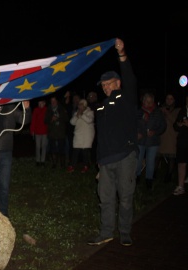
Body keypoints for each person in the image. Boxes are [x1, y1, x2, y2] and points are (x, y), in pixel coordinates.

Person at [88, 38, 138, 247]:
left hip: (125, 156)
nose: (106, 87)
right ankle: (106, 231)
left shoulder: (126, 98)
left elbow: (129, 77)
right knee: (105, 199)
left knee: (125, 197)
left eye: (110, 83)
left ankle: (125, 231)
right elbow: (100, 137)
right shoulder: (101, 108)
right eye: (104, 85)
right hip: (106, 160)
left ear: (118, 83)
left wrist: (122, 54)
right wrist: (98, 162)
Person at [135, 93, 166, 190]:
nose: (149, 103)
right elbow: (133, 125)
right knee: (138, 161)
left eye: (151, 101)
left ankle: (149, 180)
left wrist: (155, 132)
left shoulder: (158, 112)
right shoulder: (138, 112)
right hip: (141, 141)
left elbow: (163, 126)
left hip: (153, 141)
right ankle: (137, 178)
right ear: (143, 101)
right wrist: (139, 133)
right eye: (147, 101)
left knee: (150, 162)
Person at [67, 99, 95, 173]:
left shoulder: (90, 112)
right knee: (75, 151)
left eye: (81, 105)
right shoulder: (77, 113)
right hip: (78, 135)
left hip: (86, 136)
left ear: (85, 106)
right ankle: (72, 166)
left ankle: (86, 166)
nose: (80, 106)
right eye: (79, 105)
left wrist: (82, 114)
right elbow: (72, 122)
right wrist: (77, 115)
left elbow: (89, 120)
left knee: (85, 152)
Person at [156, 93, 180, 183]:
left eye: (171, 99)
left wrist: (168, 113)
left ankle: (169, 176)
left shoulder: (178, 110)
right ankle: (153, 175)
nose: (169, 100)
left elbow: (176, 121)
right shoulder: (160, 109)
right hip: (161, 137)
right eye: (167, 98)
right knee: (157, 156)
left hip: (172, 137)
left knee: (171, 158)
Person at [44, 95, 69, 168]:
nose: (53, 102)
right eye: (52, 101)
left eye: (54, 101)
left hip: (61, 132)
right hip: (52, 133)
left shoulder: (61, 109)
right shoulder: (48, 110)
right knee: (53, 149)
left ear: (57, 101)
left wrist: (58, 118)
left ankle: (62, 164)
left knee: (62, 149)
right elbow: (45, 120)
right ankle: (54, 164)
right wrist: (51, 119)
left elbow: (66, 118)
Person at [172, 94, 188, 195]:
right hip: (183, 140)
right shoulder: (182, 110)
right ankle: (180, 186)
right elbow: (175, 125)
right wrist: (179, 124)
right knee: (181, 163)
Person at [30, 99, 48, 166]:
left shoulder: (46, 109)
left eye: (41, 103)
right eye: (39, 103)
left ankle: (42, 161)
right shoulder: (36, 110)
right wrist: (32, 130)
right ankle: (37, 160)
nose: (40, 104)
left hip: (45, 131)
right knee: (37, 146)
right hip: (37, 132)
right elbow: (33, 120)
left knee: (44, 146)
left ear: (44, 103)